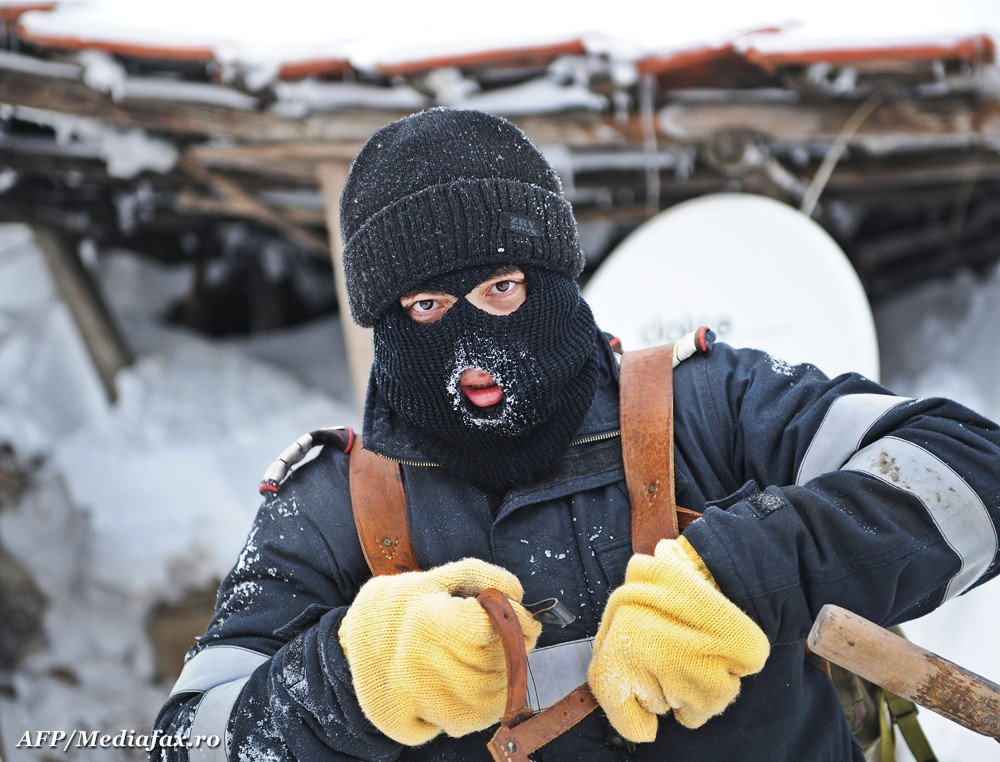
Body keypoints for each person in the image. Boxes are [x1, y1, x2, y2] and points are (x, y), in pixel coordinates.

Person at [151, 107, 1000, 761]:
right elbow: (187, 741)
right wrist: (352, 681)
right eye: (428, 306)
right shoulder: (331, 505)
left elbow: (971, 470)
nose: (473, 352)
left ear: (555, 278)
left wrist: (748, 573)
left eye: (502, 289)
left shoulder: (708, 405)